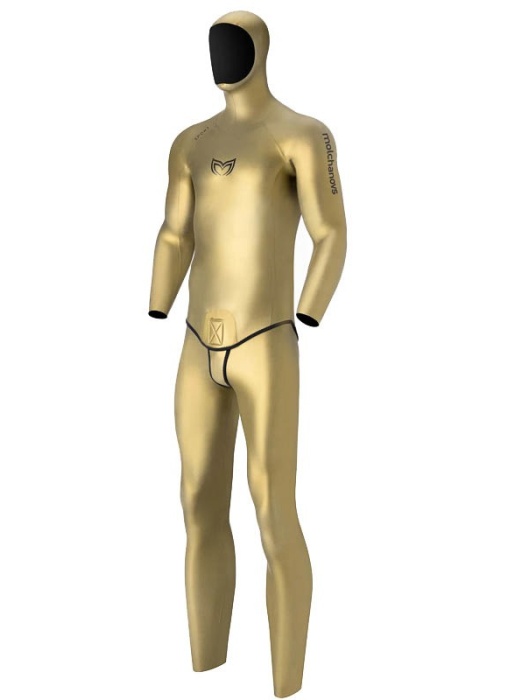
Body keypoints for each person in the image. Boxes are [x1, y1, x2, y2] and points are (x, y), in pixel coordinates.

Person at [147, 10, 347, 697]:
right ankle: (206, 669)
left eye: (232, 43)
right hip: (196, 341)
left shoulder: (302, 134)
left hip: (266, 341)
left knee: (271, 509)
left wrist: (311, 306)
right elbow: (175, 232)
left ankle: (286, 683)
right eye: (214, 43)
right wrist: (158, 298)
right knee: (197, 499)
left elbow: (332, 232)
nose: (221, 54)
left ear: (260, 50)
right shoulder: (191, 141)